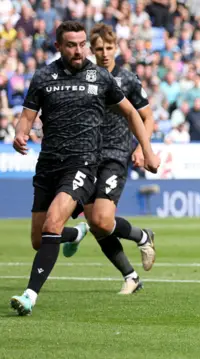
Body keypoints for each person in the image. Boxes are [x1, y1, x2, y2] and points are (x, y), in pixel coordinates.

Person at [10, 21, 160, 316]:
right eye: (71, 45)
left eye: (81, 45)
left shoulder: (102, 77)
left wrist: (147, 150)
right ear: (58, 47)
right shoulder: (43, 77)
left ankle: (30, 295)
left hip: (85, 163)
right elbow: (27, 116)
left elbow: (133, 113)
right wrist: (20, 132)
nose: (79, 51)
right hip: (48, 164)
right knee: (39, 238)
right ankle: (76, 235)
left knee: (65, 222)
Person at [60, 24, 156, 295]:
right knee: (97, 224)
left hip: (115, 154)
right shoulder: (84, 77)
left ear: (116, 48)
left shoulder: (127, 80)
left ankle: (142, 237)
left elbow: (147, 117)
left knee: (101, 220)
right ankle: (131, 276)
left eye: (109, 48)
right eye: (99, 48)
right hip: (85, 156)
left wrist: (142, 148)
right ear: (91, 48)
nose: (104, 53)